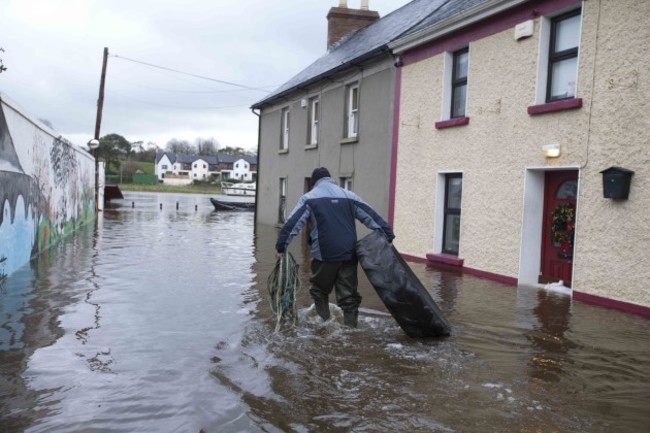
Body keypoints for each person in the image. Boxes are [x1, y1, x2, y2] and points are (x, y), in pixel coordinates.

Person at [275, 167, 395, 328]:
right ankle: (350, 330)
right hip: (349, 254)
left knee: (319, 291)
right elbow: (371, 216)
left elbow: (292, 224)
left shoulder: (309, 198)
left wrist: (281, 246)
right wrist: (388, 235)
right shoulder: (349, 196)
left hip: (324, 256)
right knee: (349, 297)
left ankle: (326, 325)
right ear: (331, 179)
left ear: (313, 183)